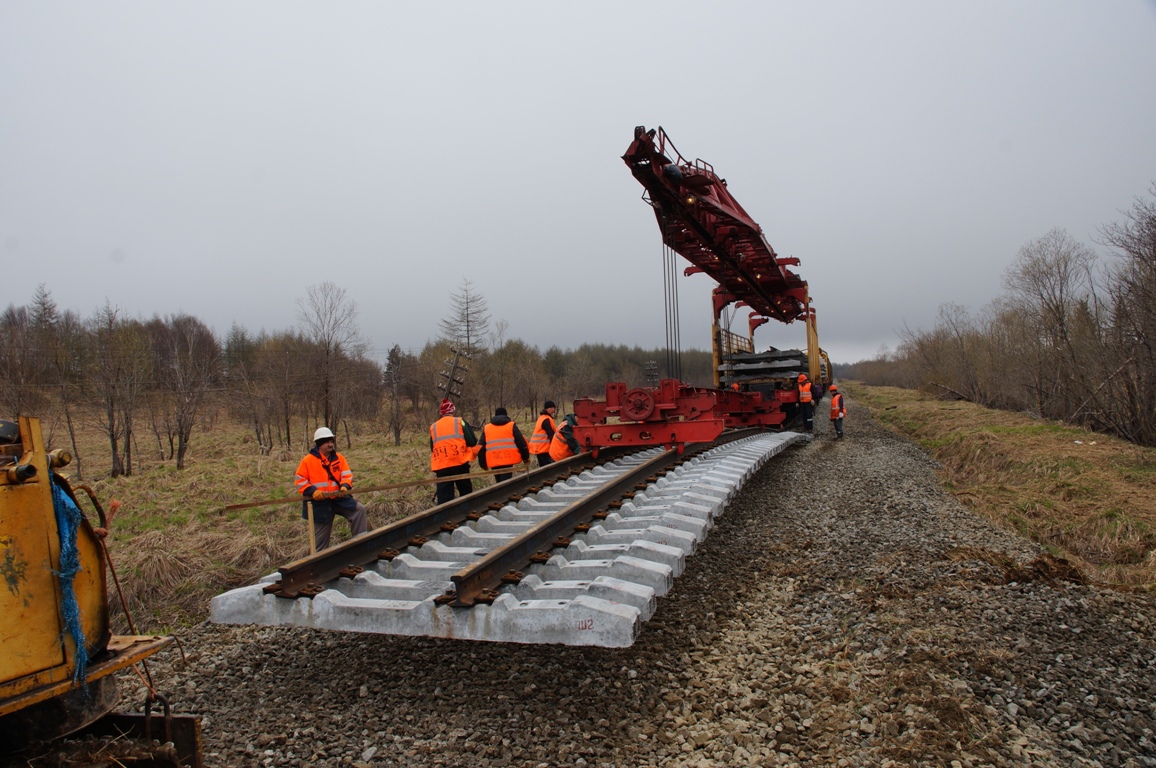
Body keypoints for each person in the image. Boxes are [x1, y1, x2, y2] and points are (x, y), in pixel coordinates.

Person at [294, 427, 368, 552]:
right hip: (320, 503)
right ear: (319, 444)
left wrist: (345, 486)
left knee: (359, 510)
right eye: (327, 442)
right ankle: (319, 563)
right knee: (320, 543)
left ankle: (361, 546)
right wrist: (313, 492)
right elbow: (300, 481)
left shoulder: (339, 458)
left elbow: (347, 475)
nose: (330, 444)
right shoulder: (308, 461)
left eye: (331, 441)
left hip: (339, 498)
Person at [430, 398, 478, 505]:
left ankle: (445, 518)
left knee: (444, 499)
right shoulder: (460, 421)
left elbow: (432, 447)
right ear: (453, 411)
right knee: (465, 493)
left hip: (441, 465)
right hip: (459, 462)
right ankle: (467, 513)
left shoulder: (433, 426)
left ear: (441, 413)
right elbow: (472, 441)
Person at [478, 406, 530, 483]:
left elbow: (481, 448)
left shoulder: (487, 428)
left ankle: (500, 493)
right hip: (508, 459)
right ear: (506, 415)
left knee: (499, 483)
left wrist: (483, 464)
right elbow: (521, 443)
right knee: (506, 483)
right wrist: (525, 457)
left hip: (493, 459)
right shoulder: (511, 425)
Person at [528, 400, 558, 467]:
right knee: (548, 468)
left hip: (538, 448)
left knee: (542, 468)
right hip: (544, 448)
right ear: (547, 409)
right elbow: (551, 435)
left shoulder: (541, 418)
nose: (553, 410)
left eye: (554, 408)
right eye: (552, 408)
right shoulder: (546, 419)